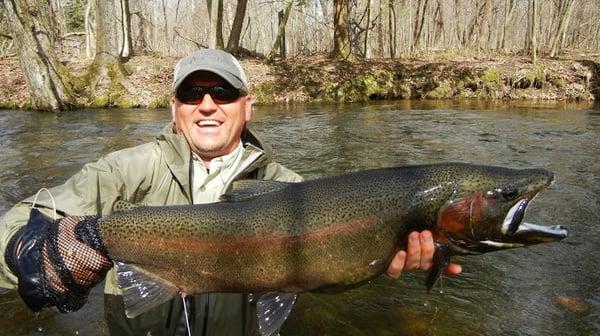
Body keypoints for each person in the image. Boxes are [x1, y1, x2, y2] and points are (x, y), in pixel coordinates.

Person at [0, 49, 460, 335]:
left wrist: (375, 256)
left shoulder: (297, 193)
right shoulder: (125, 170)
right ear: (175, 108)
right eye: (193, 92)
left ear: (247, 106)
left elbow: (326, 277)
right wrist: (32, 252)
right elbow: (19, 221)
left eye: (222, 91)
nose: (207, 105)